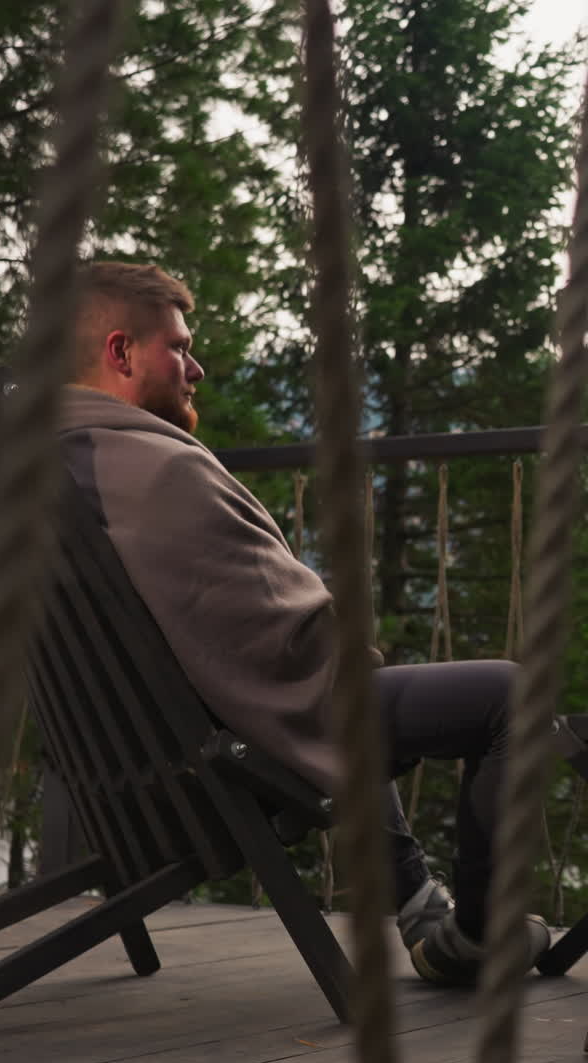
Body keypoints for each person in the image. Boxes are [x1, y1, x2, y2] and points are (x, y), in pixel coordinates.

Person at [58, 260, 584, 986]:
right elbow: (282, 644)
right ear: (120, 352)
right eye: (177, 347)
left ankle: (423, 907)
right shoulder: (155, 470)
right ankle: (478, 931)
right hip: (227, 747)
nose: (195, 366)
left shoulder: (62, 461)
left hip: (138, 753)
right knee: (508, 694)